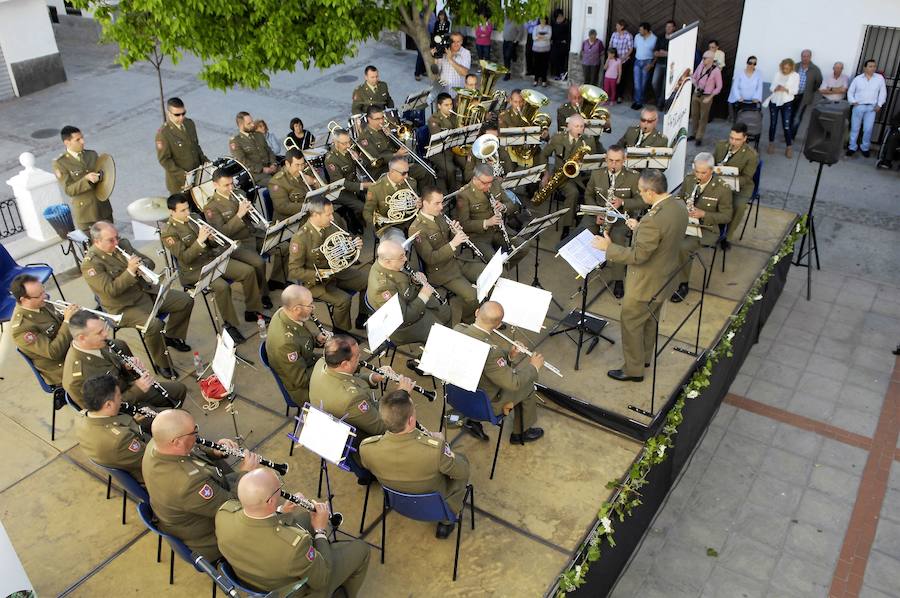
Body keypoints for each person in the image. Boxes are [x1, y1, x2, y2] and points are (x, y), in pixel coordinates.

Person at [590, 169, 688, 382]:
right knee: (650, 321)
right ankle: (644, 358)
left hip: (645, 282)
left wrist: (608, 247)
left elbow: (638, 256)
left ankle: (633, 370)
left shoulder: (653, 220)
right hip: (664, 278)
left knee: (632, 323)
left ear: (651, 193)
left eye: (642, 192)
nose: (640, 196)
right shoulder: (678, 206)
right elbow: (664, 236)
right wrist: (640, 227)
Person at [215, 468, 370, 597]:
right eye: (279, 488)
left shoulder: (223, 514)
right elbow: (321, 578)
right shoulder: (294, 547)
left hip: (254, 578)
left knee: (304, 519)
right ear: (269, 501)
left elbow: (259, 524)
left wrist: (281, 511)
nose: (281, 490)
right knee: (361, 549)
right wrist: (320, 530)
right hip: (294, 592)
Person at [142, 409, 261, 561]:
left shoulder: (157, 443)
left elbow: (192, 449)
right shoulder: (187, 483)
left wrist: (214, 450)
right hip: (210, 537)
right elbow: (231, 505)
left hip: (194, 511)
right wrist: (245, 474)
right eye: (193, 432)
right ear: (176, 441)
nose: (197, 434)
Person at [81, 221, 193, 378]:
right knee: (154, 325)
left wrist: (142, 266)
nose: (116, 242)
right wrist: (130, 271)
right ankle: (162, 364)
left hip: (146, 292)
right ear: (97, 241)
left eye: (117, 237)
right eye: (111, 240)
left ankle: (171, 336)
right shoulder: (91, 264)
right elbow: (110, 290)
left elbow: (150, 262)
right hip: (124, 307)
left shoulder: (123, 244)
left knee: (185, 300)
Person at [360, 390, 470, 538]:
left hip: (398, 503)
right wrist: (444, 446)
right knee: (462, 462)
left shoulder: (367, 448)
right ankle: (446, 523)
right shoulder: (435, 450)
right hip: (437, 505)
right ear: (411, 421)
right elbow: (462, 471)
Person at [160, 194, 266, 343]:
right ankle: (230, 325)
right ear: (172, 212)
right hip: (194, 270)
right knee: (222, 287)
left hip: (211, 259)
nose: (187, 213)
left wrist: (212, 239)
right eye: (182, 211)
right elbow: (185, 258)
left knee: (247, 271)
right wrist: (200, 240)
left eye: (188, 208)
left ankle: (253, 310)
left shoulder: (195, 217)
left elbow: (214, 245)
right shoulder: (169, 233)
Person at [455, 301, 545, 442]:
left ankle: (472, 422)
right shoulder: (492, 352)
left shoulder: (458, 330)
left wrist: (509, 355)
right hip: (483, 403)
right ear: (498, 325)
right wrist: (534, 367)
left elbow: (488, 363)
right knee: (526, 385)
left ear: (477, 312)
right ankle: (520, 433)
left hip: (456, 394)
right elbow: (513, 383)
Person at [63, 311, 186, 409]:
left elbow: (111, 366)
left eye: (104, 328)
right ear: (82, 338)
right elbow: (103, 411)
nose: (106, 334)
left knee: (179, 390)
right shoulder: (76, 378)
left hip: (129, 388)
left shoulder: (98, 343)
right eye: (99, 332)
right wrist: (137, 390)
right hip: (123, 409)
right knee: (173, 422)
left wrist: (125, 366)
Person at [287, 197, 369, 332]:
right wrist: (319, 274)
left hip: (338, 272)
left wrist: (354, 242)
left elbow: (346, 237)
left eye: (332, 213)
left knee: (367, 281)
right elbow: (294, 271)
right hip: (318, 282)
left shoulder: (331, 224)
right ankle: (341, 333)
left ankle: (362, 317)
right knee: (343, 301)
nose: (332, 217)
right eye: (328, 214)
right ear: (315, 215)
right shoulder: (301, 238)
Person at [309, 335, 406, 443]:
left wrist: (372, 377)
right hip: (357, 440)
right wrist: (400, 395)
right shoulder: (352, 399)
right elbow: (381, 427)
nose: (360, 357)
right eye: (357, 357)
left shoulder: (322, 363)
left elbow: (348, 379)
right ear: (345, 364)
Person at [409, 188, 483, 323]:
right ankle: (468, 323)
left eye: (442, 203)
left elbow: (450, 240)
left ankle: (485, 313)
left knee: (486, 274)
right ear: (425, 203)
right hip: (442, 272)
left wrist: (455, 232)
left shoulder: (440, 216)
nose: (441, 207)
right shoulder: (417, 229)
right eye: (437, 203)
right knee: (473, 296)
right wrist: (453, 243)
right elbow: (430, 258)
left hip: (456, 261)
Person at [202, 168, 273, 308]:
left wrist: (251, 211)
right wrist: (239, 214)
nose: (231, 188)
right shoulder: (211, 207)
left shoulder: (239, 193)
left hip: (252, 234)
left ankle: (276, 280)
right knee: (258, 263)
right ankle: (263, 294)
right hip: (236, 243)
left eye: (231, 184)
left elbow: (252, 219)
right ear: (215, 185)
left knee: (281, 245)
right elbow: (221, 233)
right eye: (226, 185)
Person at [672, 153, 733, 303]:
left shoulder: (722, 188)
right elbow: (680, 196)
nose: (698, 175)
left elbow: (726, 216)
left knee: (683, 247)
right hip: (685, 222)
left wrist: (703, 213)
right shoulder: (689, 179)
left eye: (703, 172)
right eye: (696, 171)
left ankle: (683, 283)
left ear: (712, 171)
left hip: (706, 228)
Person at [366, 240, 451, 346]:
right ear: (387, 261)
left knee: (445, 310)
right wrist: (423, 296)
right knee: (441, 336)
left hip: (411, 300)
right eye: (401, 257)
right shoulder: (383, 287)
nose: (405, 259)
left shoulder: (390, 263)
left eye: (404, 254)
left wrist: (414, 279)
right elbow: (404, 317)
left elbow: (403, 281)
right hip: (404, 327)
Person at [583, 145, 641, 299]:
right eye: (610, 161)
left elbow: (641, 201)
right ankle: (587, 265)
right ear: (605, 159)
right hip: (599, 213)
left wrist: (622, 202)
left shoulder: (633, 177)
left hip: (621, 217)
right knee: (584, 231)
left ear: (624, 160)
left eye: (617, 161)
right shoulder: (596, 174)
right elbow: (588, 195)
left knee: (618, 239)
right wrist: (596, 212)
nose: (613, 165)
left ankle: (618, 279)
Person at [74, 374, 149, 483]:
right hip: (148, 476)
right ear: (108, 405)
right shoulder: (120, 440)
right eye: (119, 396)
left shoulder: (81, 416)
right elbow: (152, 459)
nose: (121, 399)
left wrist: (133, 422)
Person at [538, 114, 601, 236]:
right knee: (573, 193)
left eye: (582, 126)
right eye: (577, 126)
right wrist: (545, 174)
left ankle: (586, 222)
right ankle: (566, 228)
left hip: (581, 176)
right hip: (562, 177)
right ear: (569, 127)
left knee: (596, 190)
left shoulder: (588, 140)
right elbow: (544, 155)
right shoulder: (558, 138)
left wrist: (584, 164)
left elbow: (592, 162)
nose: (580, 129)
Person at [9, 274, 75, 387]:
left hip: (71, 350)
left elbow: (59, 325)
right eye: (39, 295)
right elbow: (53, 352)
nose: (44, 296)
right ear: (24, 299)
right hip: (61, 368)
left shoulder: (41, 304)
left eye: (43, 290)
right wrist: (67, 322)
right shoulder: (21, 329)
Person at [265, 285, 326, 406]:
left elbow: (300, 337)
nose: (313, 308)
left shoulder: (284, 312)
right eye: (310, 305)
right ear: (297, 309)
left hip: (307, 362)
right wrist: (328, 364)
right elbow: (300, 380)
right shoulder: (285, 344)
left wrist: (317, 339)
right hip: (303, 389)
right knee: (344, 397)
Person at [455, 163, 528, 264]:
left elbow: (512, 204)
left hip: (499, 231)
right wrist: (487, 222)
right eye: (485, 183)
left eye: (490, 181)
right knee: (495, 263)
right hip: (479, 237)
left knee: (523, 247)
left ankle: (503, 269)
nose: (489, 186)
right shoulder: (464, 194)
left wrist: (503, 207)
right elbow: (464, 224)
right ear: (475, 179)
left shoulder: (495, 183)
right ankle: (499, 272)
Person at [52, 125, 114, 232]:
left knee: (113, 242)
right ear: (67, 142)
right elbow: (69, 190)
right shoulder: (61, 163)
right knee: (92, 246)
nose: (82, 141)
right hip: (86, 214)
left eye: (82, 138)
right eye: (78, 139)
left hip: (103, 208)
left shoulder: (91, 155)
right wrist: (86, 180)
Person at [358, 106, 432, 190]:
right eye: (377, 119)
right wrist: (396, 155)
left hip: (396, 164)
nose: (381, 121)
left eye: (382, 117)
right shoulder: (364, 137)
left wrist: (391, 135)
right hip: (381, 170)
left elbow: (398, 146)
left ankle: (426, 197)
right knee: (407, 181)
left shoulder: (383, 130)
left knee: (424, 171)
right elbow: (376, 159)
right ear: (369, 119)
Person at [714, 123, 759, 245]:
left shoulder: (751, 155)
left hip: (741, 187)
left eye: (737, 139)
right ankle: (711, 230)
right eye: (731, 138)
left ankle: (727, 236)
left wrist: (730, 180)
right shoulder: (721, 146)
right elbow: (711, 162)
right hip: (720, 182)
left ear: (745, 138)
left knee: (739, 206)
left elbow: (747, 177)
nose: (733, 142)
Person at [155, 97, 208, 194]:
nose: (181, 117)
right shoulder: (163, 134)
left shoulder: (189, 124)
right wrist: (183, 175)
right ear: (168, 113)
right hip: (180, 184)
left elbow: (196, 147)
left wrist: (206, 162)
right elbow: (164, 160)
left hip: (197, 177)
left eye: (183, 113)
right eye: (177, 115)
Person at [324, 129, 372, 233]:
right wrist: (363, 186)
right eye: (344, 143)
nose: (348, 145)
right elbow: (341, 183)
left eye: (349, 141)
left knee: (374, 195)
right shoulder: (331, 159)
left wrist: (358, 159)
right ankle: (354, 220)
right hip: (340, 190)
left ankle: (359, 218)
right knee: (361, 206)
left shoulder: (350, 149)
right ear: (335, 142)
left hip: (354, 184)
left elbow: (364, 165)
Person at [364, 156, 421, 242]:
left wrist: (418, 204)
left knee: (426, 236)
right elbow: (367, 212)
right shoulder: (376, 188)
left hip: (410, 221)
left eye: (407, 172)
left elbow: (414, 202)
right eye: (403, 173)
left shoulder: (411, 183)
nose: (406, 176)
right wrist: (377, 225)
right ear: (392, 172)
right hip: (390, 226)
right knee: (397, 246)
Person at [847, 59, 887, 158]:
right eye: (870, 66)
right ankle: (852, 147)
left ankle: (865, 148)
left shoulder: (879, 78)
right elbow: (850, 91)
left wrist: (879, 104)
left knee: (868, 129)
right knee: (855, 128)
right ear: (865, 68)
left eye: (874, 66)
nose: (873, 68)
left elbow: (883, 92)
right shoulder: (858, 79)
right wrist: (853, 101)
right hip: (858, 106)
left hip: (871, 108)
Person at [427, 92, 467, 193]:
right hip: (439, 151)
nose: (450, 107)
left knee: (466, 163)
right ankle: (452, 191)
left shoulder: (453, 115)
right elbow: (439, 137)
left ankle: (467, 186)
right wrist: (458, 131)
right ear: (439, 106)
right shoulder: (433, 119)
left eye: (451, 104)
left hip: (453, 147)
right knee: (450, 169)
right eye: (446, 105)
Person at [268, 149, 320, 222]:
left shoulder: (306, 171)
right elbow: (283, 207)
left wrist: (314, 181)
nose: (300, 168)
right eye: (297, 165)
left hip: (311, 213)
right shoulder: (277, 182)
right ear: (287, 164)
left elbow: (324, 189)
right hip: (291, 220)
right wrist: (309, 206)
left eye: (302, 164)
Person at [229, 112, 278, 187]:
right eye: (249, 123)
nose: (253, 125)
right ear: (241, 125)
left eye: (252, 121)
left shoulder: (258, 135)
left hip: (272, 168)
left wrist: (273, 164)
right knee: (278, 183)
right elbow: (243, 161)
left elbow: (269, 151)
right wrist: (262, 169)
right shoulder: (236, 141)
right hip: (258, 175)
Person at [766, 58, 800, 158]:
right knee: (773, 124)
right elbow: (771, 87)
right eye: (784, 68)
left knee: (786, 125)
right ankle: (771, 144)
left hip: (786, 102)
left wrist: (785, 89)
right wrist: (775, 88)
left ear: (791, 68)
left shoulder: (795, 76)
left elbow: (796, 91)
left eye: (787, 68)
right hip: (775, 101)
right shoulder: (778, 74)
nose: (785, 70)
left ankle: (789, 147)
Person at [688, 51, 723, 145]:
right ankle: (693, 134)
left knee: (703, 117)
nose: (703, 60)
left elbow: (719, 87)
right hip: (697, 93)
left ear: (711, 59)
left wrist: (710, 97)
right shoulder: (700, 66)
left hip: (707, 95)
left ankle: (699, 137)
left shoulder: (716, 71)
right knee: (694, 115)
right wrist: (695, 85)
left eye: (705, 58)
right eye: (703, 57)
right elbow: (694, 77)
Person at [790, 49, 823, 139]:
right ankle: (787, 134)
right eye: (803, 56)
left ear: (810, 57)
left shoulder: (815, 69)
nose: (805, 58)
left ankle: (791, 136)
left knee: (798, 117)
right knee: (789, 115)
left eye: (807, 56)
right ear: (801, 57)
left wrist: (810, 91)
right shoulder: (795, 66)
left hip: (804, 97)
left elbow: (818, 82)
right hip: (791, 95)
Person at [631, 22, 657, 110]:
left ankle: (640, 102)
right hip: (638, 61)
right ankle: (637, 101)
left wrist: (651, 64)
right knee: (637, 83)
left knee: (643, 84)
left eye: (641, 30)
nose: (639, 31)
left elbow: (656, 53)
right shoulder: (637, 37)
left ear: (646, 30)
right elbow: (635, 48)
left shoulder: (654, 38)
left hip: (647, 62)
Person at [651, 21, 676, 107]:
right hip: (659, 64)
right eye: (667, 26)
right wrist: (668, 53)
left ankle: (661, 104)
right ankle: (659, 99)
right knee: (654, 83)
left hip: (671, 66)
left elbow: (675, 55)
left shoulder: (676, 38)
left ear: (674, 28)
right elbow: (655, 53)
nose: (668, 28)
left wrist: (664, 52)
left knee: (665, 86)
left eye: (670, 27)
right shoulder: (660, 37)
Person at [608, 20, 634, 104]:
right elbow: (610, 45)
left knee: (621, 79)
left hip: (623, 61)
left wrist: (623, 58)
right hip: (613, 61)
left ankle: (619, 96)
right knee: (612, 77)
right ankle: (612, 96)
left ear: (622, 26)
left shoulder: (628, 36)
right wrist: (610, 56)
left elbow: (630, 49)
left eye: (617, 25)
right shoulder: (614, 34)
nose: (616, 27)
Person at [549, 9, 570, 81]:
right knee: (554, 58)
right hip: (555, 43)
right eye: (558, 16)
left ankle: (562, 73)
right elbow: (553, 32)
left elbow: (568, 33)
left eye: (560, 15)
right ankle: (557, 73)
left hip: (562, 44)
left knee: (562, 59)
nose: (559, 17)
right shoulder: (554, 22)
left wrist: (566, 40)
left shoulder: (566, 22)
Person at [531, 16, 551, 87]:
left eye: (544, 19)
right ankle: (536, 80)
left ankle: (544, 81)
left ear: (546, 20)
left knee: (544, 65)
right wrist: (543, 36)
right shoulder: (536, 27)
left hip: (545, 50)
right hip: (536, 49)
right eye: (541, 19)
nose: (543, 20)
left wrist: (539, 36)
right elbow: (534, 38)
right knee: (536, 65)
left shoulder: (548, 27)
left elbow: (549, 37)